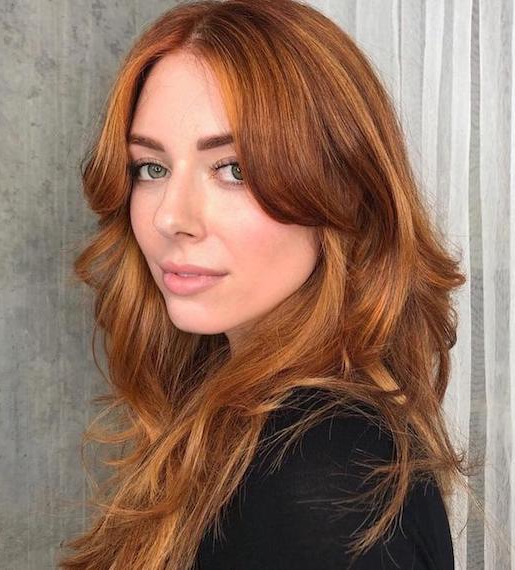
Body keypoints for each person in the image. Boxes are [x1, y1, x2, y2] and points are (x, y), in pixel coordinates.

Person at [57, 1, 472, 568]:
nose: (170, 218)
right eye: (150, 168)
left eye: (235, 170)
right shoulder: (269, 427)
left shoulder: (318, 472)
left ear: (344, 188)